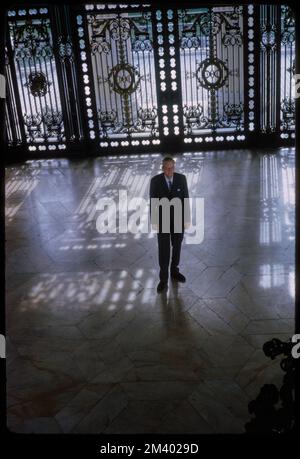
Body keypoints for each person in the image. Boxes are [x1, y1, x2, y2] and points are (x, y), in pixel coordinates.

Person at [149, 156, 191, 293]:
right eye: (167, 168)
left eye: (172, 167)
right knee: (164, 250)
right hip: (163, 222)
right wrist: (155, 222)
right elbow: (153, 203)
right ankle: (163, 279)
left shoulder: (181, 179)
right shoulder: (155, 181)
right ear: (162, 168)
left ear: (174, 167)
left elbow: (185, 199)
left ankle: (174, 271)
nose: (169, 170)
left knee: (177, 247)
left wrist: (186, 219)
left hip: (178, 220)